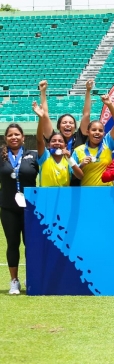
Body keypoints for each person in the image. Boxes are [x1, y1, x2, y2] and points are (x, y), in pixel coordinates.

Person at [0, 124, 38, 294]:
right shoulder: (1, 157)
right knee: (12, 244)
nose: (14, 137)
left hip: (30, 209)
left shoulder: (34, 155)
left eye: (17, 134)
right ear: (5, 138)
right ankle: (14, 281)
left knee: (30, 244)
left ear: (23, 137)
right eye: (10, 135)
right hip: (8, 208)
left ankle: (31, 277)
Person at [71, 95, 114, 186]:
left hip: (107, 193)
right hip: (87, 194)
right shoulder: (78, 150)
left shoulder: (107, 143)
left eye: (100, 130)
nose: (97, 132)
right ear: (88, 132)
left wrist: (109, 104)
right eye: (94, 130)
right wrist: (81, 165)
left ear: (104, 134)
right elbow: (71, 176)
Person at [31, 102, 84, 187]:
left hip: (63, 198)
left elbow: (80, 176)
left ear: (65, 145)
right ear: (48, 145)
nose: (57, 143)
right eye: (54, 141)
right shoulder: (45, 156)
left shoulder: (69, 159)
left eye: (60, 141)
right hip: (45, 197)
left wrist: (70, 159)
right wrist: (41, 118)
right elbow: (39, 140)